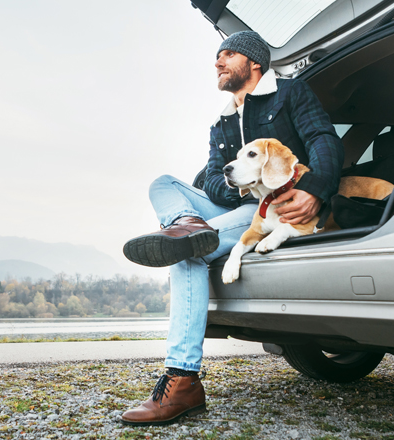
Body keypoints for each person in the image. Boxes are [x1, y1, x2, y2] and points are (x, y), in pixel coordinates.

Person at [120, 31, 344, 426]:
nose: (219, 62)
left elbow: (323, 140)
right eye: (217, 56)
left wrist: (314, 190)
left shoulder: (291, 94)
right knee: (164, 184)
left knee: (184, 254)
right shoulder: (221, 123)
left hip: (270, 206)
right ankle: (185, 224)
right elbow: (209, 180)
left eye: (228, 54)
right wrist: (231, 182)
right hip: (236, 203)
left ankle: (182, 379)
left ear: (255, 61)